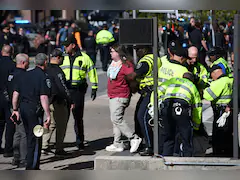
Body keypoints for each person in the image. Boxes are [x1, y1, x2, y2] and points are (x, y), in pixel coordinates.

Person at [11, 53, 51, 170]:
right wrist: (48, 114)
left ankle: (29, 163)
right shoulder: (42, 76)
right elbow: (43, 97)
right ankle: (32, 167)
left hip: (23, 108)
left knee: (28, 135)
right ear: (45, 63)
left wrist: (15, 110)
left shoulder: (24, 75)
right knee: (36, 138)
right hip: (34, 110)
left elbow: (15, 95)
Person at [60, 35, 98, 149]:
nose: (65, 48)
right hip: (65, 90)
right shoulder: (62, 57)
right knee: (62, 118)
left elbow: (92, 71)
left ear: (73, 45)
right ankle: (59, 143)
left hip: (77, 91)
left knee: (78, 117)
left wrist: (94, 87)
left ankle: (79, 141)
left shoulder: (84, 58)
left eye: (67, 45)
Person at [125, 45, 162, 156]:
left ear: (145, 49)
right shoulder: (156, 58)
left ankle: (149, 146)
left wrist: (123, 76)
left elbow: (133, 76)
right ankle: (140, 141)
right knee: (138, 116)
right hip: (149, 92)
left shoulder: (146, 60)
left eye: (138, 50)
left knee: (143, 117)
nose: (137, 52)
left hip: (149, 93)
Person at [105, 44, 142, 153]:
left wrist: (132, 88)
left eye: (112, 51)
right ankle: (117, 143)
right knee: (114, 120)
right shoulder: (113, 63)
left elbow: (133, 76)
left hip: (121, 96)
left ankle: (133, 137)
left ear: (119, 52)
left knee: (117, 118)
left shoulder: (126, 65)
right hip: (113, 95)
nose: (111, 53)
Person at [157, 72, 202, 157]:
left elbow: (158, 90)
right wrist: (196, 125)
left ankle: (166, 157)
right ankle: (187, 158)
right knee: (186, 136)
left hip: (167, 106)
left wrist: (157, 103)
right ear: (192, 80)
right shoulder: (191, 85)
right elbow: (197, 106)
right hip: (182, 107)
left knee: (169, 135)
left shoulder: (172, 80)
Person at [42, 48, 74, 156]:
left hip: (47, 101)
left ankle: (44, 145)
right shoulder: (58, 71)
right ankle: (59, 148)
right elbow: (62, 87)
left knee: (50, 124)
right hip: (58, 101)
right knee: (61, 125)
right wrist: (70, 100)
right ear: (59, 58)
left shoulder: (45, 69)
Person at [203, 65, 233, 157]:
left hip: (221, 111)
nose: (212, 77)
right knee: (228, 133)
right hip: (230, 109)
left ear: (215, 73)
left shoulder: (219, 82)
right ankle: (229, 151)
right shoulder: (230, 80)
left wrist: (206, 88)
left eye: (211, 75)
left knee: (219, 133)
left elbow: (208, 96)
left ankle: (219, 153)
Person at [7, 53, 29, 168]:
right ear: (23, 63)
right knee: (23, 133)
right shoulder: (23, 75)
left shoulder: (11, 74)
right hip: (19, 106)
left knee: (17, 132)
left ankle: (16, 156)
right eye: (28, 62)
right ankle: (23, 158)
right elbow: (17, 93)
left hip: (12, 106)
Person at [0, 45, 15, 156]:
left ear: (2, 52)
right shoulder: (13, 65)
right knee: (10, 124)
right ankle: (8, 149)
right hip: (9, 98)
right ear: (12, 52)